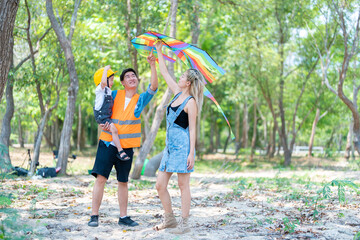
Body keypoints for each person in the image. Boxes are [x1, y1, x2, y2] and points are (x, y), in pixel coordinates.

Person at [88, 51, 158, 227]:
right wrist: (102, 123)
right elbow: (100, 107)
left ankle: (123, 217)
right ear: (122, 82)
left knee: (123, 182)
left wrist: (152, 65)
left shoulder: (140, 100)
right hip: (107, 142)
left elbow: (154, 87)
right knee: (101, 179)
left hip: (126, 147)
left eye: (134, 75)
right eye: (127, 76)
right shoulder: (114, 94)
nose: (131, 78)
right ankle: (94, 215)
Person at [153, 41, 204, 234]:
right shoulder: (176, 94)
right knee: (160, 185)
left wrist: (191, 153)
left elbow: (192, 130)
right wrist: (159, 51)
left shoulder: (191, 102)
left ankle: (184, 224)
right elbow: (165, 73)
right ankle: (170, 219)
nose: (179, 77)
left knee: (183, 185)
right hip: (169, 147)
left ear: (188, 83)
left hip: (183, 147)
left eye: (182, 76)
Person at [93, 66, 129, 161]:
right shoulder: (100, 89)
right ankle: (120, 151)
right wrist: (105, 70)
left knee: (115, 130)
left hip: (106, 116)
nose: (112, 82)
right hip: (102, 116)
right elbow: (104, 82)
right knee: (114, 130)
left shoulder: (108, 91)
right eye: (111, 80)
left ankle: (120, 150)